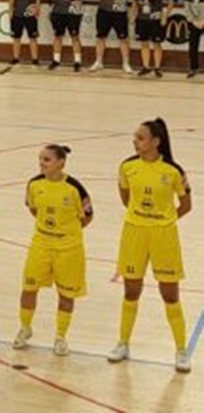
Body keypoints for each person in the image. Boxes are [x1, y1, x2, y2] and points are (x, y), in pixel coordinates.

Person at [109, 119, 192, 373]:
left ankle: (181, 350)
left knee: (170, 294)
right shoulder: (127, 167)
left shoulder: (173, 171)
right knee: (131, 290)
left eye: (140, 138)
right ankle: (123, 343)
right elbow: (126, 198)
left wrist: (163, 220)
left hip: (163, 236)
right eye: (135, 137)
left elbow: (186, 205)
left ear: (156, 142)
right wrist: (142, 218)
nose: (135, 141)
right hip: (134, 233)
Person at [14, 145, 93, 356]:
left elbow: (88, 216)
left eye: (47, 159)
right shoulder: (34, 184)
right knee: (28, 288)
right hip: (40, 245)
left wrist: (66, 233)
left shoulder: (74, 188)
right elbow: (33, 208)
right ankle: (25, 328)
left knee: (66, 294)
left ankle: (60, 336)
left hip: (68, 249)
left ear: (61, 163)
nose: (42, 163)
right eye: (40, 159)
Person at [132, 0, 172, 78]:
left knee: (156, 43)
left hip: (156, 19)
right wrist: (132, 15)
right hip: (142, 19)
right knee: (144, 43)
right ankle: (146, 66)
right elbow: (135, 2)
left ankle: (157, 67)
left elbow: (170, 2)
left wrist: (165, 16)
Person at [8, 0, 43, 65]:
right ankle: (15, 58)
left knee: (33, 37)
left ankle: (35, 59)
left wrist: (37, 9)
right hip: (17, 14)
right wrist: (11, 12)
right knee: (16, 37)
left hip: (30, 15)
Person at [186, 0, 204, 78]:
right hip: (194, 23)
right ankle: (194, 68)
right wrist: (193, 21)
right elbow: (187, 8)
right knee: (192, 46)